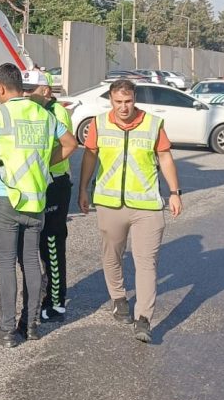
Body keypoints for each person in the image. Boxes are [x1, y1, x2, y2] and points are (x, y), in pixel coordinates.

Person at [0, 64, 78, 346]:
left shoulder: (0, 113)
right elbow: (70, 143)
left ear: (0, 88)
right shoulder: (42, 113)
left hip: (5, 196)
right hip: (35, 198)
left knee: (5, 264)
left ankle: (5, 329)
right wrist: (42, 164)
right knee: (29, 262)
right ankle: (30, 325)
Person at [77, 79, 182, 344]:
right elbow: (90, 156)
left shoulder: (152, 124)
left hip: (146, 205)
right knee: (112, 255)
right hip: (110, 203)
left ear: (134, 99)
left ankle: (144, 319)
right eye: (118, 102)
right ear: (111, 100)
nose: (124, 107)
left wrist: (174, 192)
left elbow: (165, 157)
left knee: (146, 262)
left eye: (128, 101)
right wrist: (83, 190)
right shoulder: (99, 124)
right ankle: (119, 298)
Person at [26, 71, 76, 323]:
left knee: (52, 243)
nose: (26, 94)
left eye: (31, 89)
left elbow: (67, 144)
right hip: (37, 182)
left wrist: (44, 163)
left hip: (54, 183)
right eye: (24, 89)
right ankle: (42, 293)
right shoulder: (32, 110)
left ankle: (56, 302)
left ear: (46, 90)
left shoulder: (57, 113)